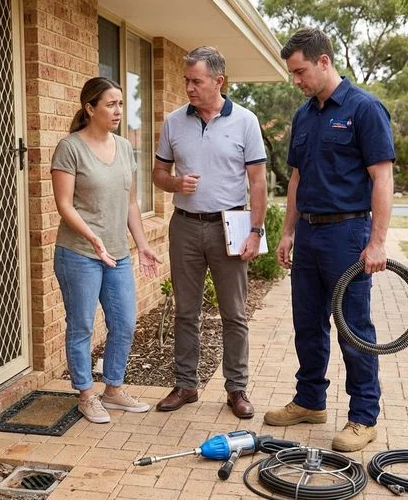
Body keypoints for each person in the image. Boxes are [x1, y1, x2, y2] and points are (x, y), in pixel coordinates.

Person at [263, 28, 395, 452]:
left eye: (300, 71)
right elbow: (297, 179)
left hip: (347, 232)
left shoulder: (365, 109)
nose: (296, 80)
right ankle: (310, 400)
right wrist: (286, 232)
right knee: (307, 322)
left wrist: (377, 242)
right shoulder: (304, 115)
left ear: (324, 61)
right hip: (310, 233)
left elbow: (382, 178)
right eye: (292, 73)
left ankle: (363, 416)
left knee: (353, 326)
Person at [152, 46, 267, 419]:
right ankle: (186, 385)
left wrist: (255, 231)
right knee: (187, 311)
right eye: (186, 80)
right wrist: (174, 184)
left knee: (234, 313)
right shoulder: (173, 122)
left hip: (229, 225)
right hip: (184, 225)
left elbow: (258, 181)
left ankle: (236, 389)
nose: (189, 87)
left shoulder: (245, 121)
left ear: (218, 81)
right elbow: (158, 175)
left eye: (196, 81)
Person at [51, 77, 161, 424]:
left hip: (117, 254)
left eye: (120, 104)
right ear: (90, 109)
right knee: (82, 325)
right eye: (110, 104)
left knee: (124, 322)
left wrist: (142, 244)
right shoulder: (70, 147)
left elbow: (130, 203)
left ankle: (112, 389)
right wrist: (94, 238)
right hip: (79, 253)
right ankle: (86, 393)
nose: (117, 110)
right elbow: (64, 205)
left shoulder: (125, 147)